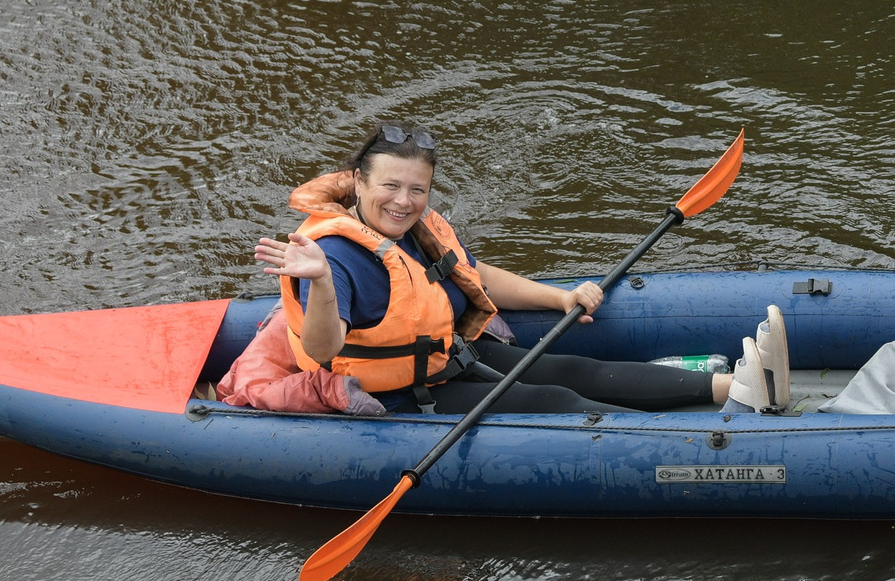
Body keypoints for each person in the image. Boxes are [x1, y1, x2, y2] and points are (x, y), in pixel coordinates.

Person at [232, 124, 789, 416]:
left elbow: (472, 275)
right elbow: (326, 349)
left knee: (569, 367)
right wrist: (322, 281)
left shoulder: (413, 230)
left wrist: (559, 298)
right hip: (404, 395)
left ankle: (735, 387)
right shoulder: (329, 258)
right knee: (556, 403)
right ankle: (720, 424)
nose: (404, 202)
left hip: (451, 356)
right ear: (357, 182)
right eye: (390, 187)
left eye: (417, 189)